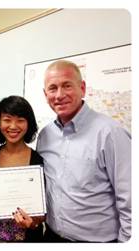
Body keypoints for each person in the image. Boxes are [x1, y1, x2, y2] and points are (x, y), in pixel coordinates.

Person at [14, 59, 131, 242]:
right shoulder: (45, 136)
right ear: (46, 95)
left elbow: (130, 199)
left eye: (67, 86)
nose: (59, 95)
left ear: (82, 88)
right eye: (52, 88)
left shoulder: (111, 134)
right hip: (52, 237)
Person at [0, 95, 44, 242]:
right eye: (7, 119)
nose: (13, 126)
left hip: (25, 239)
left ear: (28, 124)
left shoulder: (38, 160)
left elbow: (43, 209)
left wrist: (34, 221)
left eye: (20, 120)